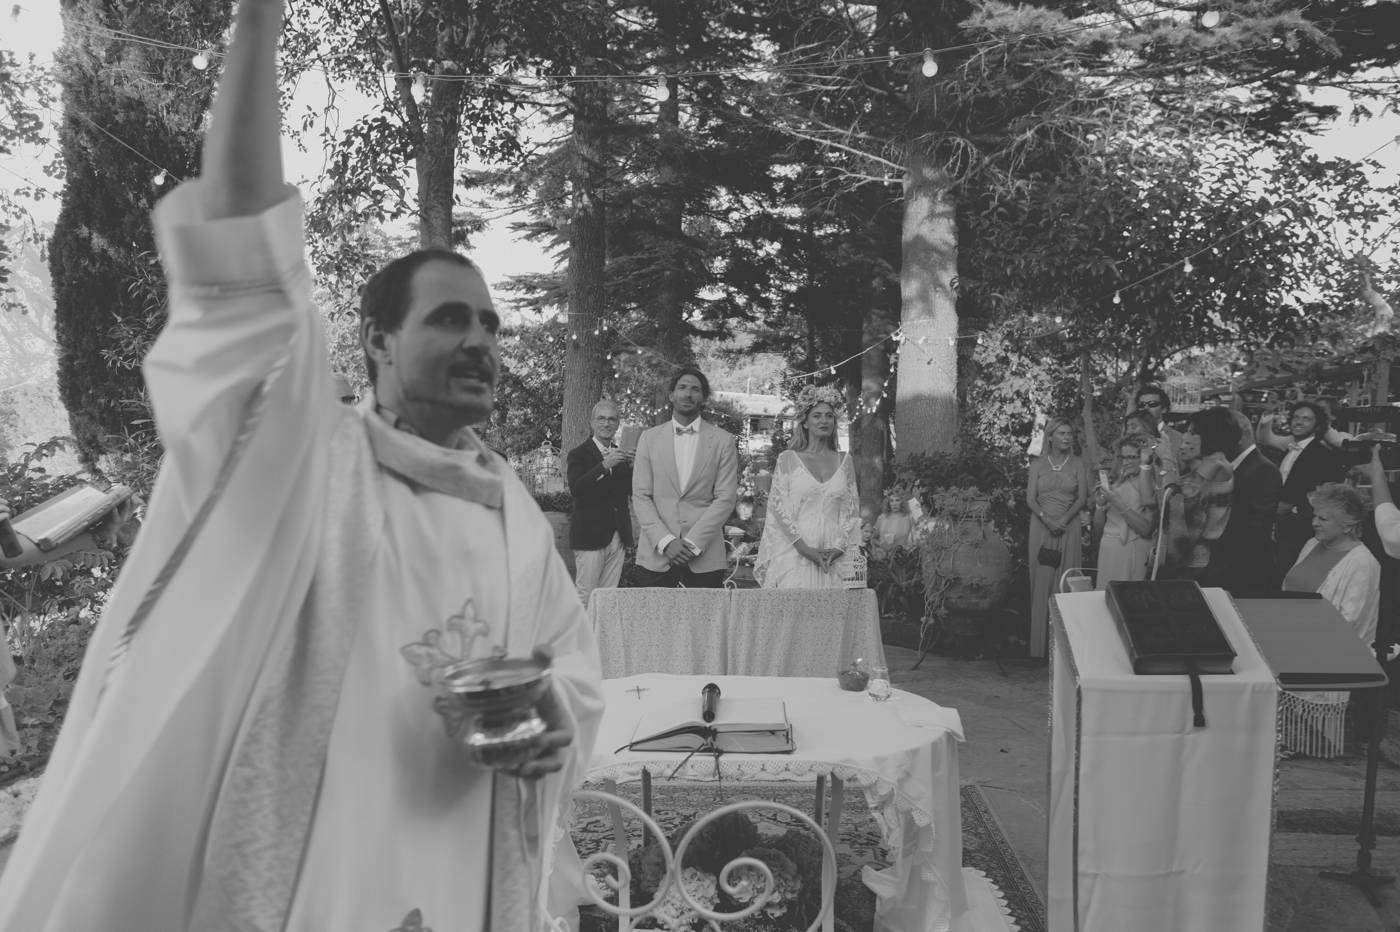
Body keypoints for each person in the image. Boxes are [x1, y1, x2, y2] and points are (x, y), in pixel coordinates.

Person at [0, 2, 604, 929]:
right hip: (308, 878)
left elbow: (573, 667)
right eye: (450, 319)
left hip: (470, 868)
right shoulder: (309, 465)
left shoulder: (513, 515)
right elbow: (242, 252)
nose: (482, 340)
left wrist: (553, 716)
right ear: (376, 341)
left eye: (491, 323)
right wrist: (257, 28)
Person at [631, 368, 740, 588]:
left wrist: (693, 543)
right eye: (682, 388)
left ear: (703, 398)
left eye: (695, 389)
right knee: (653, 620)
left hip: (705, 555)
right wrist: (665, 541)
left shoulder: (723, 441)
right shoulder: (649, 439)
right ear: (671, 395)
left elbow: (725, 498)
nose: (688, 394)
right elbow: (641, 495)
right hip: (656, 554)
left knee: (704, 622)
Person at [755, 384, 862, 588]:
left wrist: (838, 548)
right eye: (817, 415)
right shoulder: (788, 459)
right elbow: (778, 509)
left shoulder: (845, 460)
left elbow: (851, 511)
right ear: (805, 422)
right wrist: (804, 549)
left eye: (829, 416)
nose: (824, 420)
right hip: (797, 550)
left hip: (835, 552)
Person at [1200, 410, 1283, 595]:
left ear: (1242, 434)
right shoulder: (1223, 467)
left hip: (1241, 575)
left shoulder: (1263, 471)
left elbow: (1253, 530)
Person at [1026, 416, 1089, 658]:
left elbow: (1082, 498)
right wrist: (1046, 518)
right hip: (1041, 526)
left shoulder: (1078, 464)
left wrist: (1063, 520)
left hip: (1068, 526)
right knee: (1041, 582)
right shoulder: (1037, 465)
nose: (1067, 438)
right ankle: (1038, 650)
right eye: (1061, 433)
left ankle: (1063, 651)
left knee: (1065, 581)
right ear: (1050, 436)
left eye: (1069, 434)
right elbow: (1030, 499)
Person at [567, 399, 634, 605]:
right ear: (592, 423)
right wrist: (604, 465)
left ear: (617, 423)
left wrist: (632, 467)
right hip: (590, 537)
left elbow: (629, 492)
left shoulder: (621, 454)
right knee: (586, 596)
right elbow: (577, 489)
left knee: (608, 598)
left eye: (612, 419)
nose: (606, 423)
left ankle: (601, 638)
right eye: (601, 418)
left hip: (618, 536)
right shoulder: (578, 454)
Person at [1162, 408, 1236, 579]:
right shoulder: (1216, 462)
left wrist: (1167, 457)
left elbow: (1180, 495)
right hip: (1197, 553)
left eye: (1192, 432)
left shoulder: (1214, 464)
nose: (1186, 437)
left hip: (1193, 557)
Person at [1276, 400, 1347, 572]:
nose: (1299, 422)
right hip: (1281, 526)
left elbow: (1327, 495)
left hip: (1303, 529)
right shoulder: (1289, 449)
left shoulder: (1323, 454)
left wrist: (1292, 508)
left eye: (1306, 419)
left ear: (1317, 425)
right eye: (1296, 417)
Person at [1091, 434, 1158, 587]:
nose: (1126, 462)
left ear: (1143, 459)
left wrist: (1117, 502)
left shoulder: (1149, 485)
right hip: (1108, 548)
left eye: (1132, 457)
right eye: (1123, 457)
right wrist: (1100, 506)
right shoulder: (1117, 481)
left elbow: (1146, 530)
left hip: (1131, 549)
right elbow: (1099, 526)